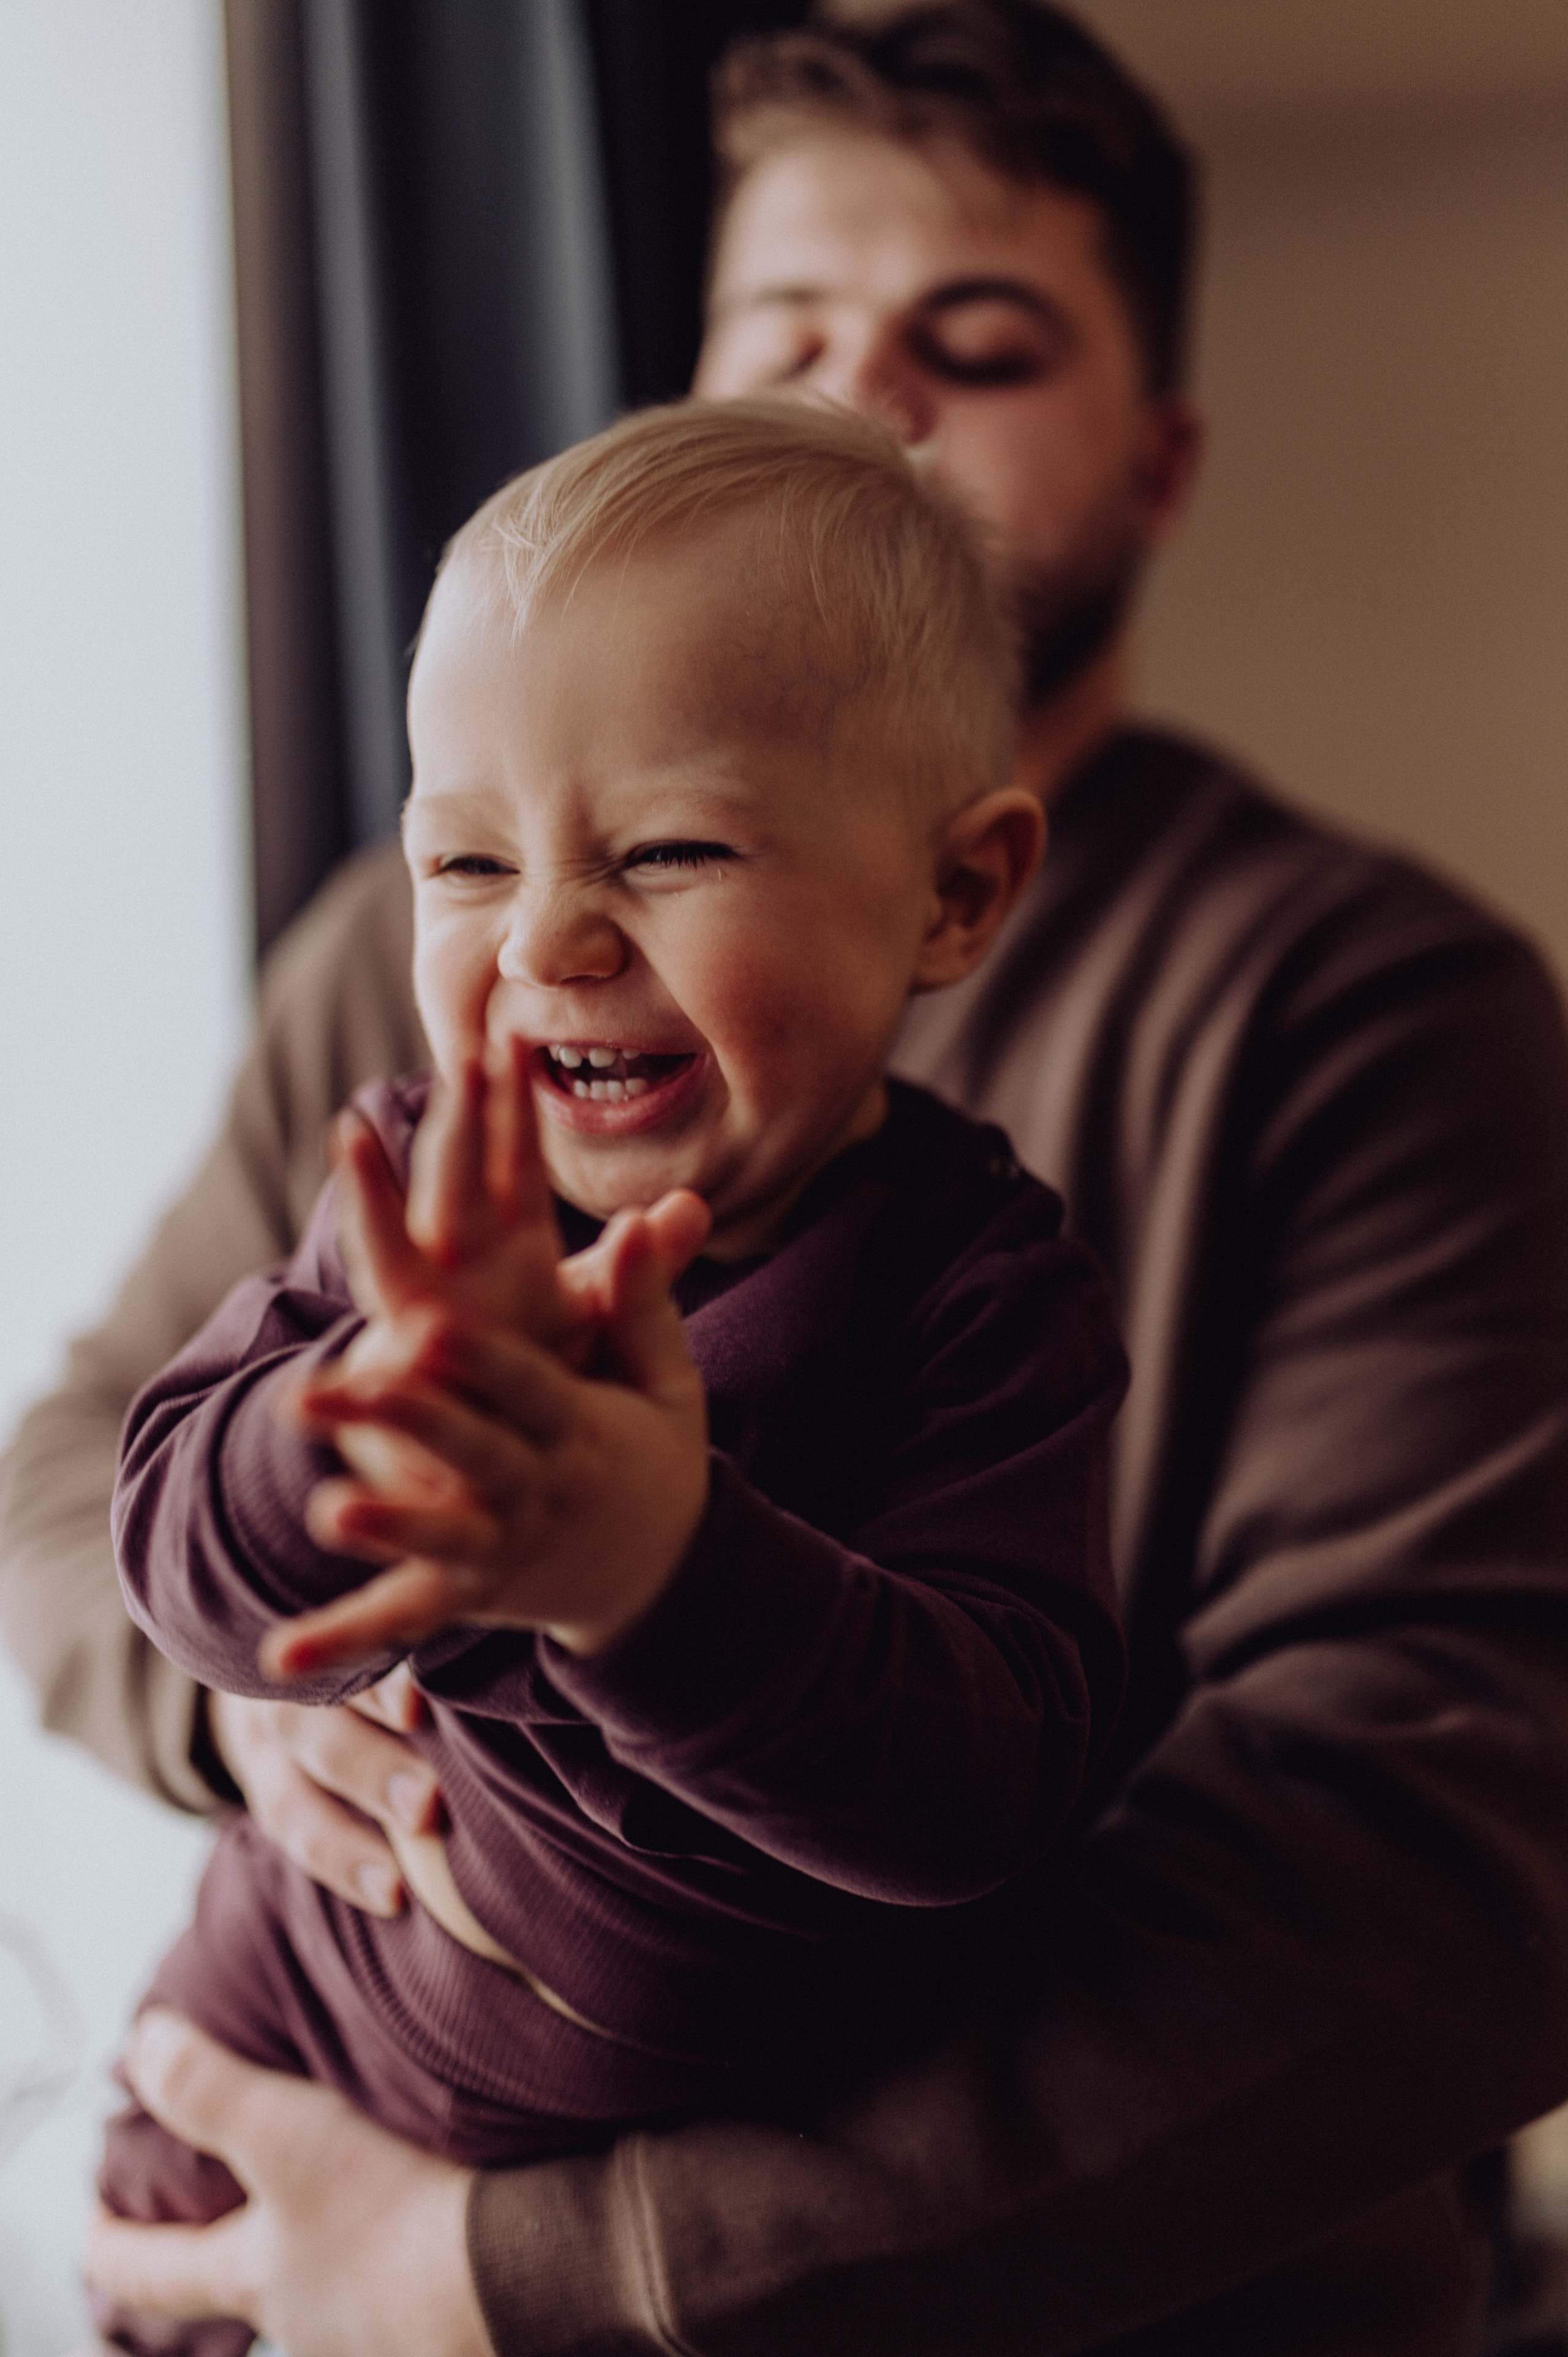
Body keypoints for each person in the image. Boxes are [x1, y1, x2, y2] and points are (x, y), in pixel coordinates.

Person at [8, 3, 1568, 2350]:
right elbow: (74, 1483)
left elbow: (1443, 1869)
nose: (861, 402)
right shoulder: (429, 975)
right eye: (786, 335)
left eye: (976, 340)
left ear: (1157, 459)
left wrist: (519, 2275)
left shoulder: (1353, 1012)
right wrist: (272, 1672)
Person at [96, 396, 1126, 2357]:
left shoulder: (974, 1297)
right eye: (464, 864)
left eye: (666, 848)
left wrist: (655, 1577)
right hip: (265, 2093)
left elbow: (986, 1786)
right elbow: (161, 1533)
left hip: (669, 2251)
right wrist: (337, 1436)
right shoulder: (415, 1195)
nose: (551, 938)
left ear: (956, 893)